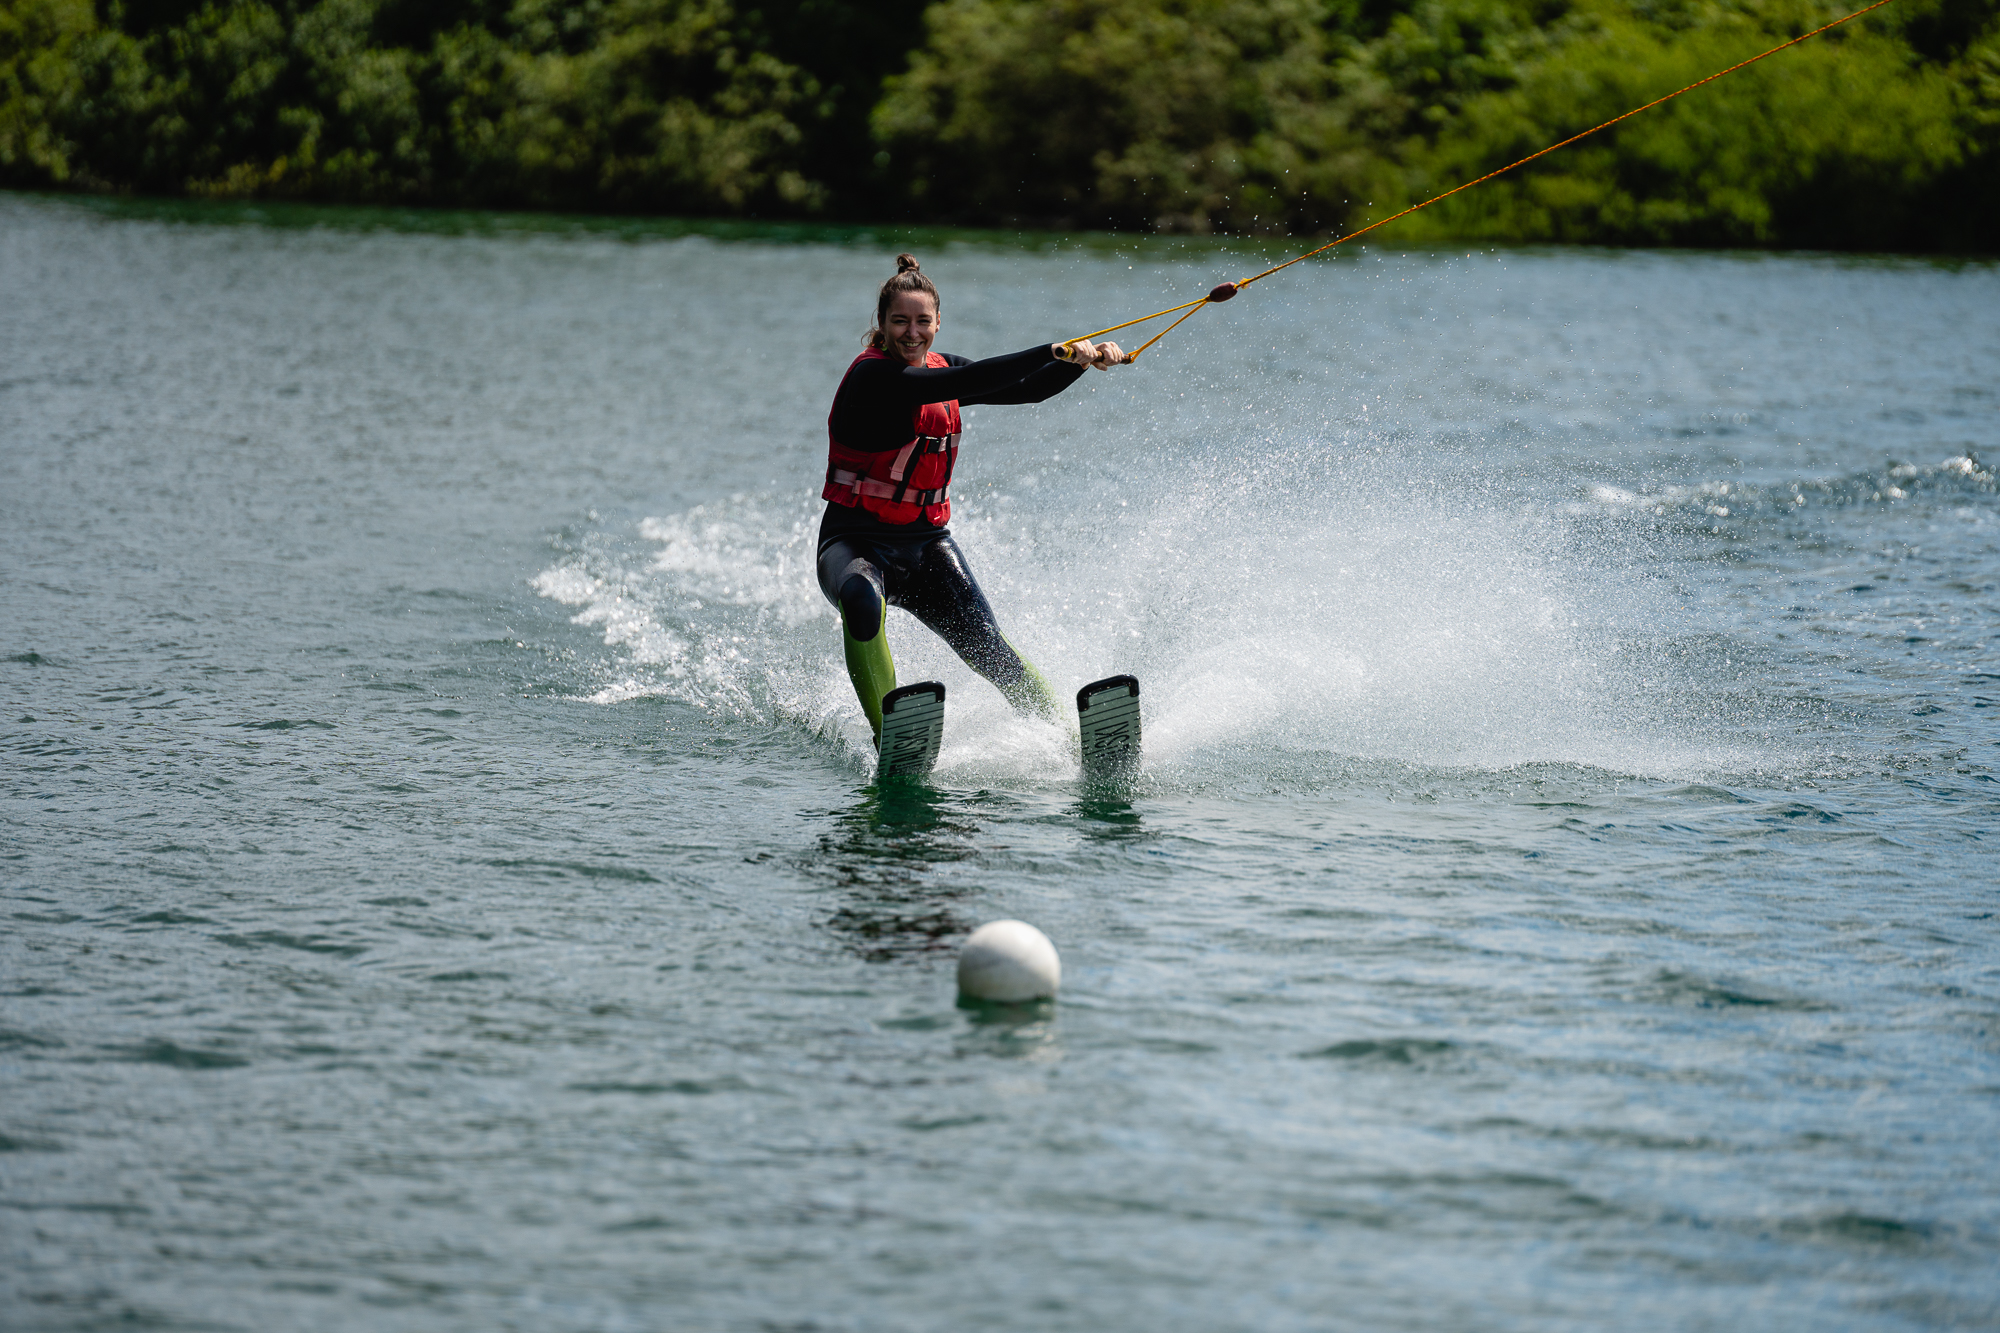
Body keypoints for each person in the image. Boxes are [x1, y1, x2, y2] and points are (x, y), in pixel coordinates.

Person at [817, 253, 1127, 746]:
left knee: (987, 644)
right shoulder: (872, 377)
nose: (912, 333)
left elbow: (1026, 389)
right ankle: (887, 736)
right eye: (900, 322)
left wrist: (1080, 363)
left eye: (923, 321)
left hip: (925, 544)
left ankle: (1065, 735)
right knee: (860, 600)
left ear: (938, 322)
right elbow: (969, 382)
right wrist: (1053, 349)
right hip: (854, 541)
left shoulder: (942, 367)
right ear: (881, 324)